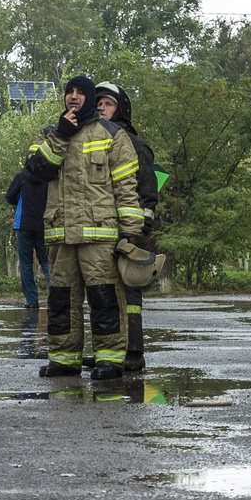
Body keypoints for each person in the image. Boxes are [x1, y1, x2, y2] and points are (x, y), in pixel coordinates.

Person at [23, 74, 148, 381]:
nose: (74, 97)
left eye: (80, 93)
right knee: (62, 301)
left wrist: (130, 230)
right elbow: (36, 172)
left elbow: (126, 187)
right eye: (70, 92)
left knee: (105, 299)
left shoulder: (112, 135)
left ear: (89, 98)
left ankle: (110, 359)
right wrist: (62, 134)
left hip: (100, 236)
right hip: (60, 234)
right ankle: (64, 360)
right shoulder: (50, 135)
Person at [89, 80, 162, 376]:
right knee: (103, 294)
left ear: (121, 109)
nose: (101, 109)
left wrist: (138, 226)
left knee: (129, 292)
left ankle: (133, 353)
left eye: (108, 104)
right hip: (99, 229)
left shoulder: (133, 143)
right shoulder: (90, 140)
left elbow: (148, 188)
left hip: (128, 230)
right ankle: (108, 353)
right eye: (98, 104)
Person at [4, 159, 50, 351]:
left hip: (23, 225)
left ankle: (32, 301)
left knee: (25, 264)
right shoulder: (48, 180)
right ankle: (56, 295)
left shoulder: (21, 177)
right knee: (46, 261)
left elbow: (9, 197)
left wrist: (21, 200)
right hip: (43, 225)